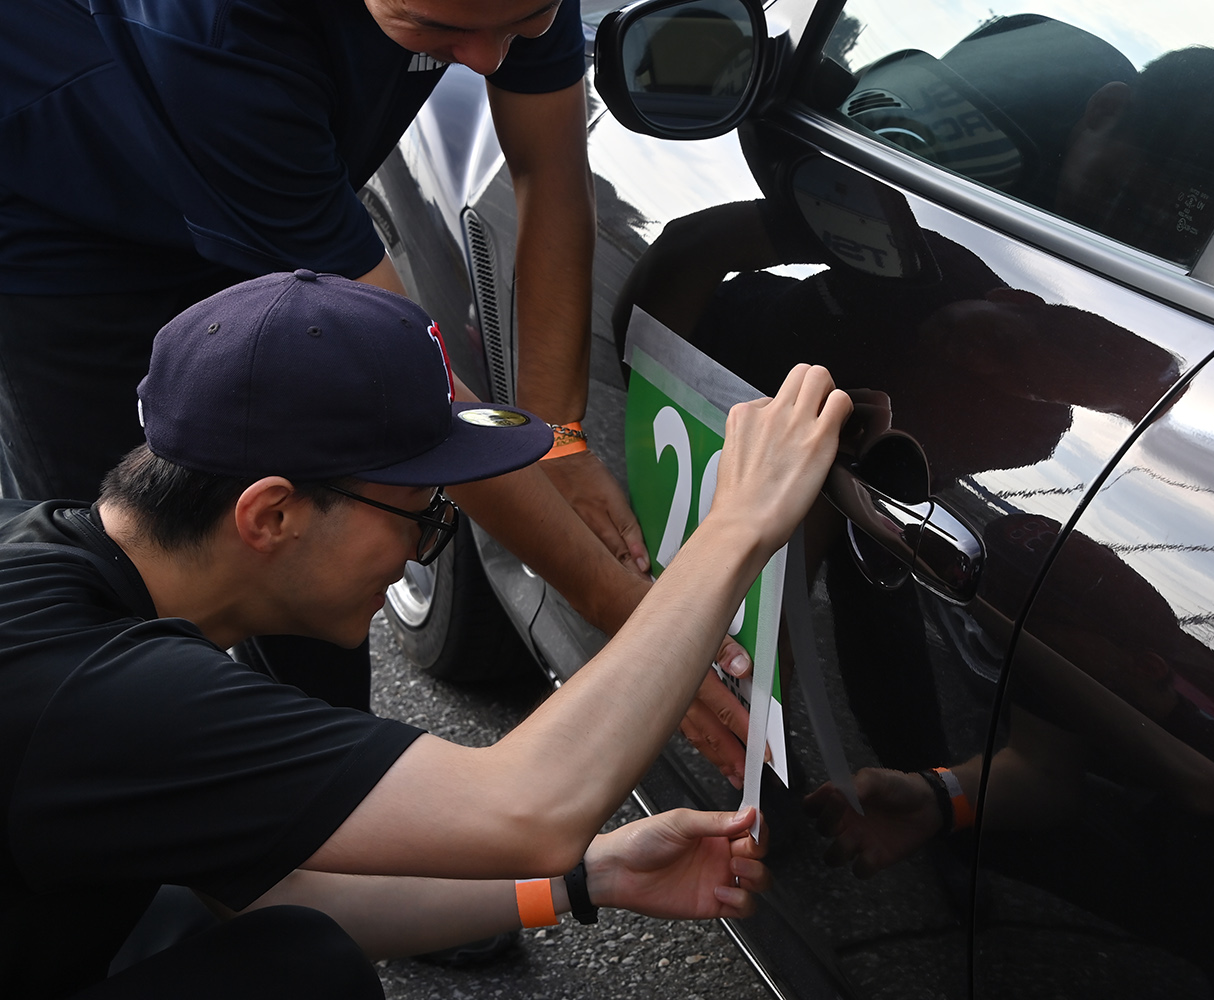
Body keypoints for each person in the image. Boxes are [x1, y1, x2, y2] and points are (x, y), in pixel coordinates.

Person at [0, 269, 852, 998]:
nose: (424, 546)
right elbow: (528, 805)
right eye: (417, 513)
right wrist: (737, 526)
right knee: (294, 976)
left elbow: (263, 887)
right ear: (272, 513)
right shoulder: (96, 690)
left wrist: (585, 880)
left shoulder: (70, 565)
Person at [0, 0, 751, 781]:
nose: (490, 59)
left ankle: (313, 817)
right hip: (75, 241)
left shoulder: (492, 2)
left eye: (525, 20)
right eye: (435, 30)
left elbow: (549, 172)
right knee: (119, 604)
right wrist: (640, 628)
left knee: (319, 579)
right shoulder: (215, 32)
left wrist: (558, 441)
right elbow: (415, 399)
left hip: (266, 173)